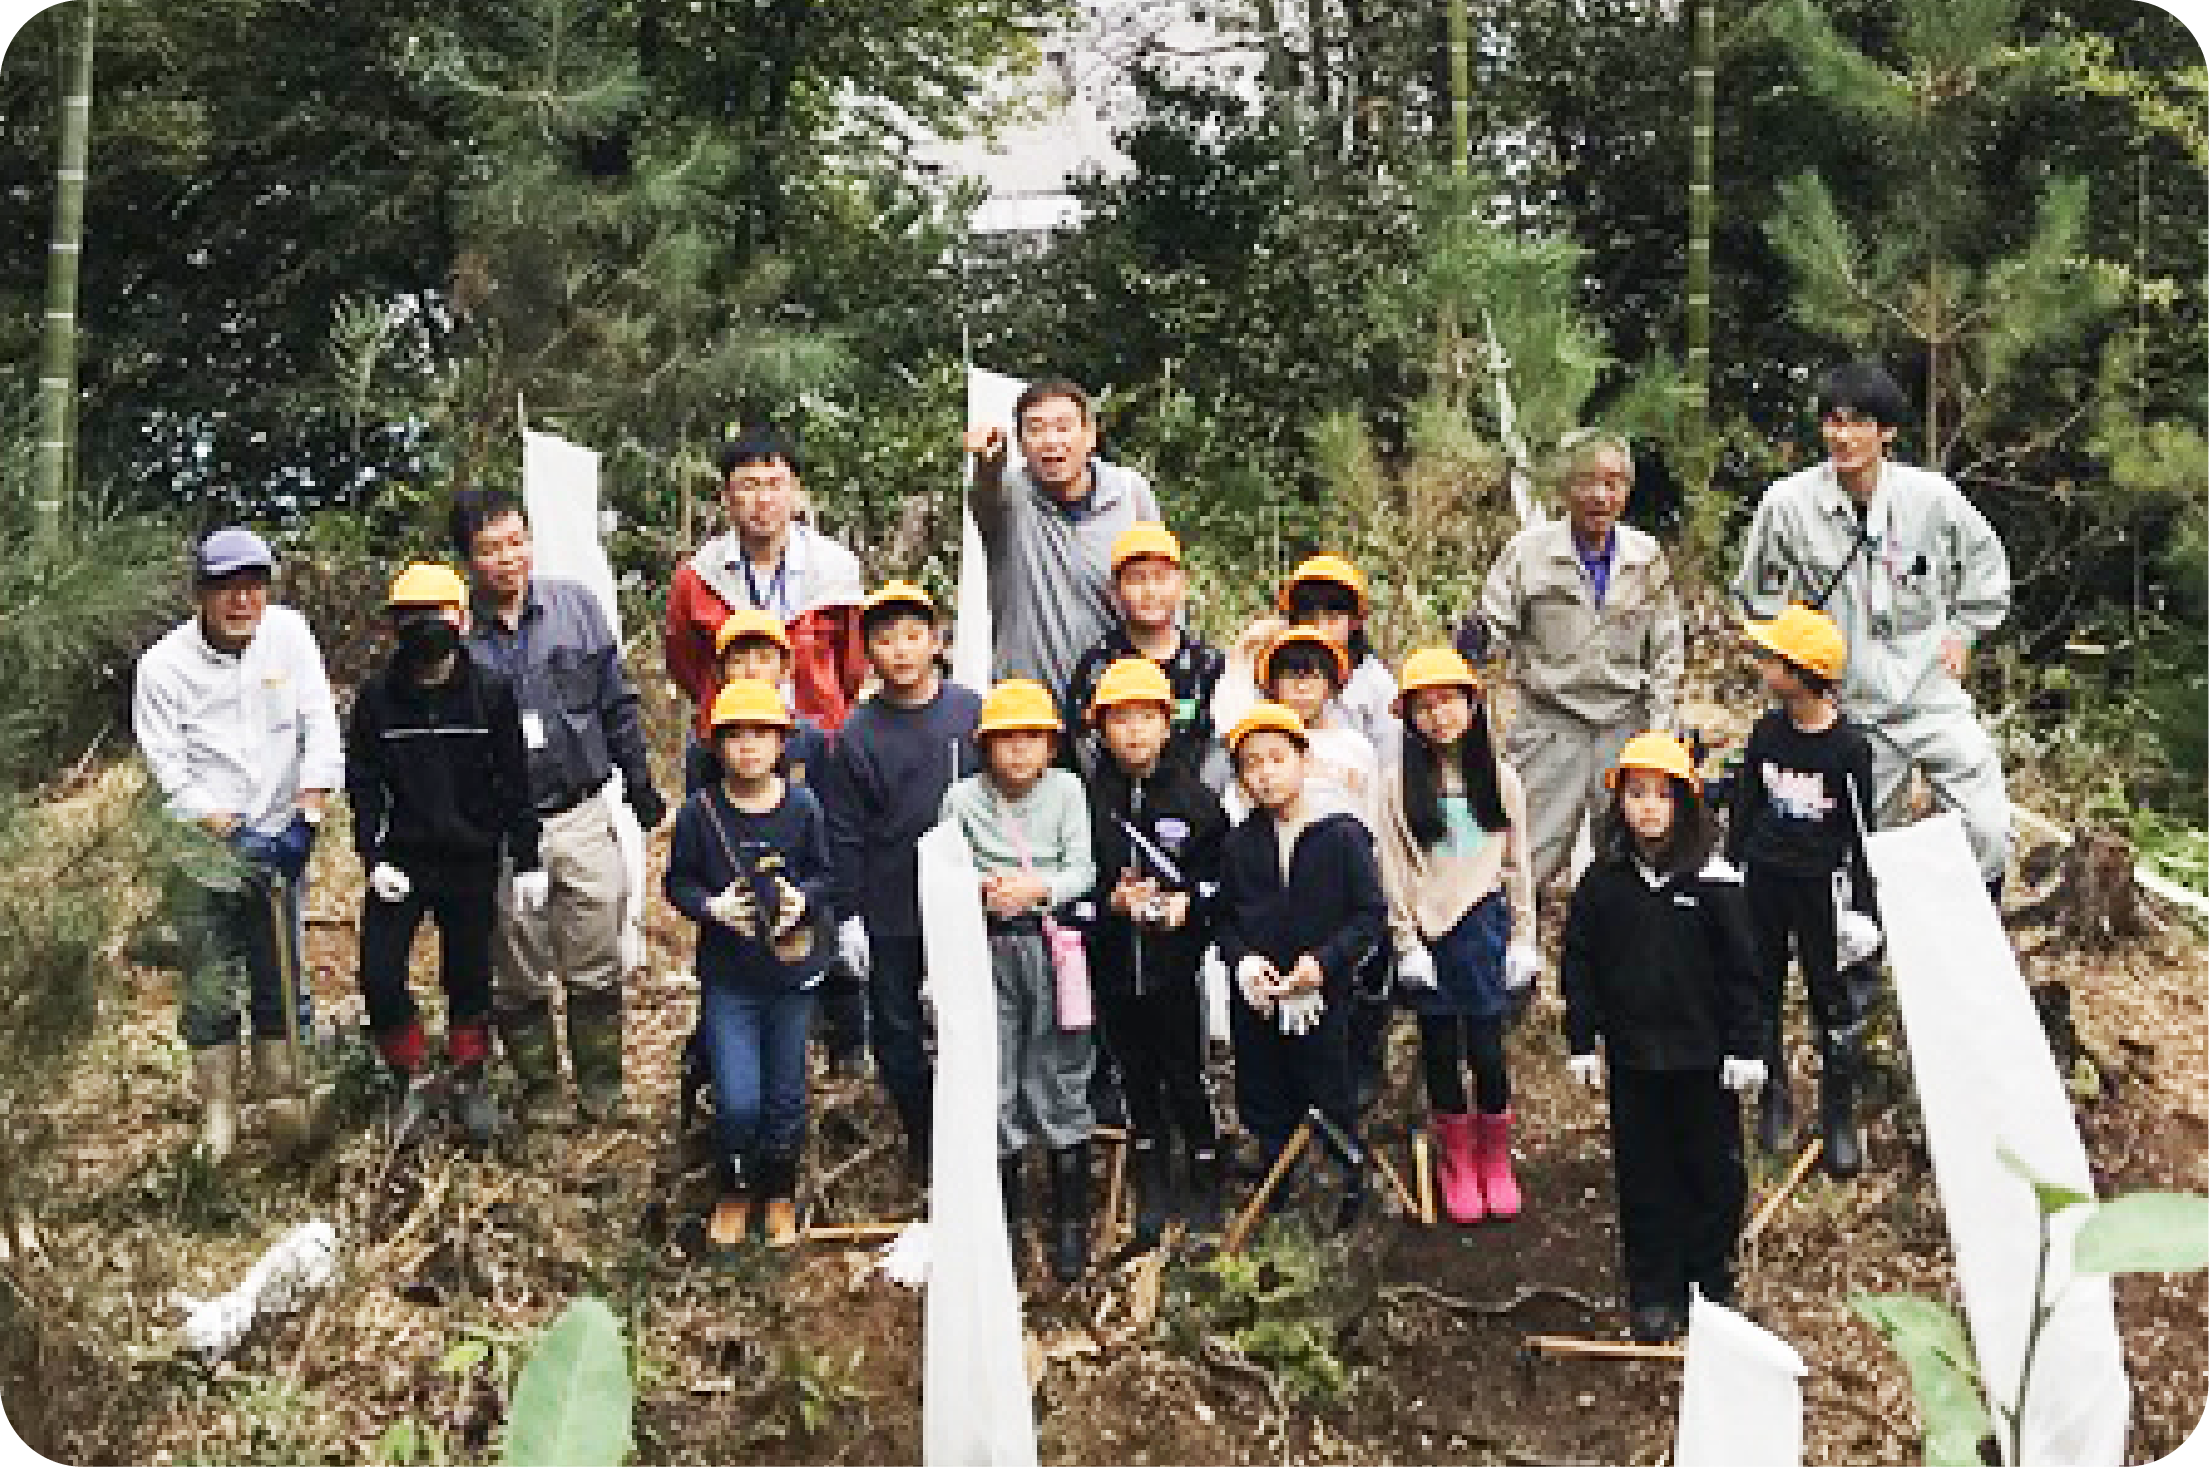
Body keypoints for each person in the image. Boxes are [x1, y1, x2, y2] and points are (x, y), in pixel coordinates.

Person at [1732, 362, 2012, 894]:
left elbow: (1987, 569)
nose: (1842, 435)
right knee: (1861, 846)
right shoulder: (1788, 506)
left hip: (1930, 695)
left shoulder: (1934, 500)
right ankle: (1861, 959)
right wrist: (1797, 673)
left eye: (1858, 421)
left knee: (1988, 826)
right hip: (1849, 705)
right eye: (1833, 421)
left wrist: (1964, 632)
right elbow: (1759, 601)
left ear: (1887, 432)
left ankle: (1968, 942)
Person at [451, 490, 666, 1126]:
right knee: (516, 962)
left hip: (579, 809)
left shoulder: (576, 607)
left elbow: (616, 702)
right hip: (499, 826)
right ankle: (540, 1090)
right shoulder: (455, 631)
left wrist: (639, 780)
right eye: (490, 548)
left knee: (596, 950)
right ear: (468, 558)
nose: (507, 558)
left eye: (516, 541)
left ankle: (602, 1089)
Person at [133, 528, 342, 1160]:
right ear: (202, 594)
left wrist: (307, 816)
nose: (241, 601)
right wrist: (230, 832)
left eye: (252, 586)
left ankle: (287, 1105)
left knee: (283, 974)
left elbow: (320, 725)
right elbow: (169, 772)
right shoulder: (163, 667)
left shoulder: (290, 635)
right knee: (209, 979)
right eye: (226, 588)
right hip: (203, 849)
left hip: (281, 834)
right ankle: (218, 1113)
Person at [1562, 733, 1765, 1345]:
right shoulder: (1604, 884)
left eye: (1660, 796)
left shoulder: (1716, 882)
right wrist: (1581, 1038)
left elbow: (1744, 972)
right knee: (1643, 1175)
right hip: (1634, 1060)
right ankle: (1654, 1291)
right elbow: (1581, 962)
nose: (1647, 807)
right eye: (1635, 795)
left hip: (1704, 1062)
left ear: (1683, 802)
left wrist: (1746, 1046)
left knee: (1712, 1173)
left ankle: (1711, 1283)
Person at [346, 564, 546, 1144]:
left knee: (469, 974)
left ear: (460, 619)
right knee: (378, 974)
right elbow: (364, 783)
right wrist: (371, 854)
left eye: (436, 615)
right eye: (411, 617)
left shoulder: (490, 694)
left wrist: (527, 857)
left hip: (470, 857)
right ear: (393, 626)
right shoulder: (377, 699)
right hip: (403, 860)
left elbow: (514, 784)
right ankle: (407, 1077)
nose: (424, 627)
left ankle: (468, 1080)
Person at [665, 679, 835, 1249]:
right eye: (735, 736)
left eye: (761, 735)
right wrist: (710, 907)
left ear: (783, 743)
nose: (748, 747)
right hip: (729, 977)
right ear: (716, 745)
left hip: (790, 973)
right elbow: (677, 882)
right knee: (738, 1097)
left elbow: (826, 874)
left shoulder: (803, 808)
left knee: (786, 1091)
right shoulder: (700, 813)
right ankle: (734, 1188)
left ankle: (780, 1191)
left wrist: (801, 898)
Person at [820, 582, 981, 1178]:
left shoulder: (971, 713)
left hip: (968, 897)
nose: (902, 651)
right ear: (869, 653)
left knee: (970, 1020)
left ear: (936, 641)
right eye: (885, 640)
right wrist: (849, 915)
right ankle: (925, 1139)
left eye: (913, 636)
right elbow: (844, 831)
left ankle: (980, 1142)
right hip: (891, 902)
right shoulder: (857, 736)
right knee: (895, 1031)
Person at [940, 680, 1099, 1282]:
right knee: (995, 1076)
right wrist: (982, 890)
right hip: (986, 949)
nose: (1018, 752)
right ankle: (1001, 1222)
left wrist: (1039, 890)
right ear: (985, 746)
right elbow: (945, 868)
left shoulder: (1067, 793)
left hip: (1054, 947)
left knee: (1059, 1071)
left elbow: (1083, 868)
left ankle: (1070, 1223)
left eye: (1031, 739)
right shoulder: (962, 800)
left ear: (1051, 745)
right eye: (1006, 740)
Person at [1478, 430, 1685, 891]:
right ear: (1564, 488)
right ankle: (1517, 951)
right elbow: (1490, 630)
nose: (1599, 495)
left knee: (1633, 855)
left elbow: (1667, 653)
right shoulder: (1528, 554)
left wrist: (1660, 734)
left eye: (1612, 483)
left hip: (1623, 725)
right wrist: (1472, 646)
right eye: (1586, 482)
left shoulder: (1645, 557)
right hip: (1551, 725)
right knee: (1527, 855)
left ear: (1626, 491)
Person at [1375, 648, 1538, 1224]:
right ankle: (1456, 1160)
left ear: (1472, 705)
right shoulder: (1395, 786)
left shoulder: (1501, 780)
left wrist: (1525, 939)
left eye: (1449, 701)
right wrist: (1406, 943)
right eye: (1425, 705)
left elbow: (1519, 865)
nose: (1438, 715)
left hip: (1485, 928)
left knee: (1489, 1052)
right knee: (1442, 1051)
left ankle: (1497, 1156)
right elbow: (1393, 869)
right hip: (1430, 932)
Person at [1216, 703, 1388, 1231]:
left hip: (1328, 1000)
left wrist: (1325, 961)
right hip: (1262, 1001)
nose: (1266, 773)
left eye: (1276, 758)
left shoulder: (1342, 836)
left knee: (1331, 1093)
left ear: (1303, 759)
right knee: (1266, 1094)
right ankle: (1278, 1188)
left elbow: (1369, 916)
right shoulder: (1240, 843)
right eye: (1252, 764)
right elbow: (1224, 918)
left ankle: (1345, 1191)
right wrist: (1244, 963)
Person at [1077, 657, 1231, 1241]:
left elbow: (1222, 882)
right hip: (1115, 967)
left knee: (1186, 1075)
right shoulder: (1090, 800)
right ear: (1100, 728)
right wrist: (1110, 904)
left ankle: (1205, 1174)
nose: (1134, 731)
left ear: (1168, 725)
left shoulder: (1196, 800)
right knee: (1134, 1076)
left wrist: (1189, 907)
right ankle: (1151, 1179)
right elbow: (1077, 881)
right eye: (1120, 719)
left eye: (1146, 717)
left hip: (1176, 969)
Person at [1726, 604, 1881, 1176]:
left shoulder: (1848, 749)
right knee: (1761, 981)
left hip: (1821, 887)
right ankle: (1773, 1096)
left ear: (1800, 672)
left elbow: (1863, 833)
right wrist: (1729, 869)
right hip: (1765, 879)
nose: (1763, 666)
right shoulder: (1767, 732)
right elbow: (1746, 807)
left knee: (1829, 995)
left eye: (1773, 659)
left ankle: (1838, 1114)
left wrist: (1863, 908)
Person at [687, 608, 862, 1078]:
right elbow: (697, 830)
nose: (751, 671)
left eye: (763, 660)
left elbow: (830, 820)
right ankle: (716, 1076)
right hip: (735, 902)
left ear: (785, 669)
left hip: (800, 885)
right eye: (739, 660)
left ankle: (834, 1059)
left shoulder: (809, 738)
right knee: (731, 999)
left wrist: (832, 904)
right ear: (722, 670)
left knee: (810, 977)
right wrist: (712, 902)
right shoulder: (705, 747)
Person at [964, 377, 1162, 700]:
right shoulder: (1009, 498)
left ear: (1089, 436)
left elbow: (1162, 587)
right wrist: (988, 462)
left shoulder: (1129, 493)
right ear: (1021, 442)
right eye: (1036, 429)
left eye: (1063, 426)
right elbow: (985, 492)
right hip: (1030, 709)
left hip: (1115, 703)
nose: (1050, 440)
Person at [667, 428, 870, 741]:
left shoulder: (835, 570)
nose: (763, 499)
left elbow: (852, 666)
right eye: (749, 486)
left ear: (796, 492)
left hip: (816, 738)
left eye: (776, 484)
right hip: (730, 739)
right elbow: (687, 666)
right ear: (726, 496)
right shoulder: (698, 577)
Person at [1062, 522, 1227, 785]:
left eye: (1161, 577)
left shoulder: (1209, 665)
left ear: (1181, 584)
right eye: (1137, 578)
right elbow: (1081, 750)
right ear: (1114, 591)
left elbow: (1223, 747)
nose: (1150, 591)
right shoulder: (1098, 666)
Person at [1213, 554, 1400, 762]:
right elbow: (1230, 725)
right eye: (1309, 618)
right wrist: (1242, 656)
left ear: (1356, 621)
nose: (1320, 628)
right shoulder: (1273, 666)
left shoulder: (1375, 683)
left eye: (1332, 618)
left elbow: (1390, 757)